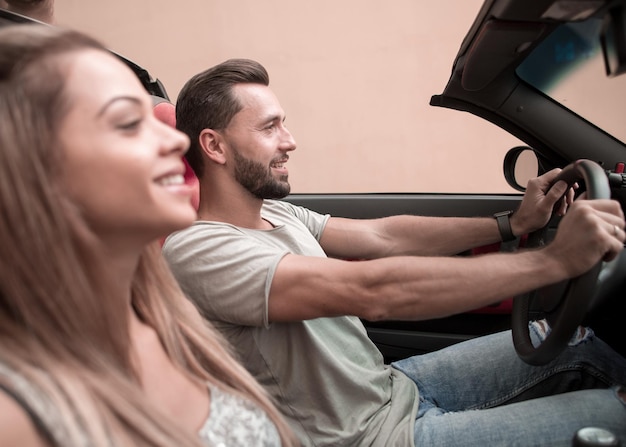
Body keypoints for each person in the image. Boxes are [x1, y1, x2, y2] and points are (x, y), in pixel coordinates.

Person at [163, 58, 626, 446]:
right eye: (270, 127)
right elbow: (373, 290)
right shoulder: (200, 249)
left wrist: (514, 224)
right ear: (214, 146)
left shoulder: (277, 214)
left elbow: (383, 237)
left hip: (393, 385)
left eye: (284, 123)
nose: (290, 140)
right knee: (615, 418)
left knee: (578, 342)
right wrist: (553, 260)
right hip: (370, 437)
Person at [0, 27, 297, 447]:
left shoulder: (167, 316)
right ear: (33, 174)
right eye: (127, 122)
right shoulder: (17, 416)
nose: (177, 139)